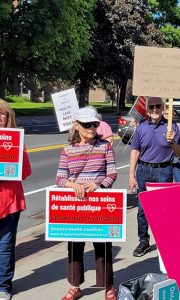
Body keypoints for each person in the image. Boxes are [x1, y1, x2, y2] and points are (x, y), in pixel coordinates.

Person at [55, 106, 117, 300]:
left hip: (98, 203)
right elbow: (59, 178)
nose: (92, 128)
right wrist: (73, 185)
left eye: (95, 124)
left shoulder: (104, 146)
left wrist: (99, 185)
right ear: (76, 126)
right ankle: (75, 285)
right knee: (75, 246)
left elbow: (112, 173)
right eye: (87, 124)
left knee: (103, 246)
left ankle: (108, 286)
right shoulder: (67, 150)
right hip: (76, 205)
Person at [128, 97, 180, 257]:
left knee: (163, 208)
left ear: (163, 107)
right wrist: (131, 175)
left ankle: (164, 241)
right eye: (151, 107)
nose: (155, 109)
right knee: (142, 210)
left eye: (158, 106)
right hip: (144, 170)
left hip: (164, 171)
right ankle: (143, 241)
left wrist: (172, 142)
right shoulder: (142, 128)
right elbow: (135, 151)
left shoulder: (171, 127)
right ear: (147, 109)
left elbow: (178, 152)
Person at [0, 99, 32, 300]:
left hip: (9, 201)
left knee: (5, 246)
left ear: (8, 117)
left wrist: (7, 170)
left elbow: (26, 170)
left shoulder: (15, 140)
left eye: (2, 114)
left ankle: (3, 286)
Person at [162, 105, 180, 182]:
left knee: (177, 182)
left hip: (174, 158)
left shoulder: (178, 126)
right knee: (172, 182)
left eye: (170, 114)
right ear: (163, 114)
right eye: (166, 114)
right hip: (166, 160)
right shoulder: (160, 126)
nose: (168, 116)